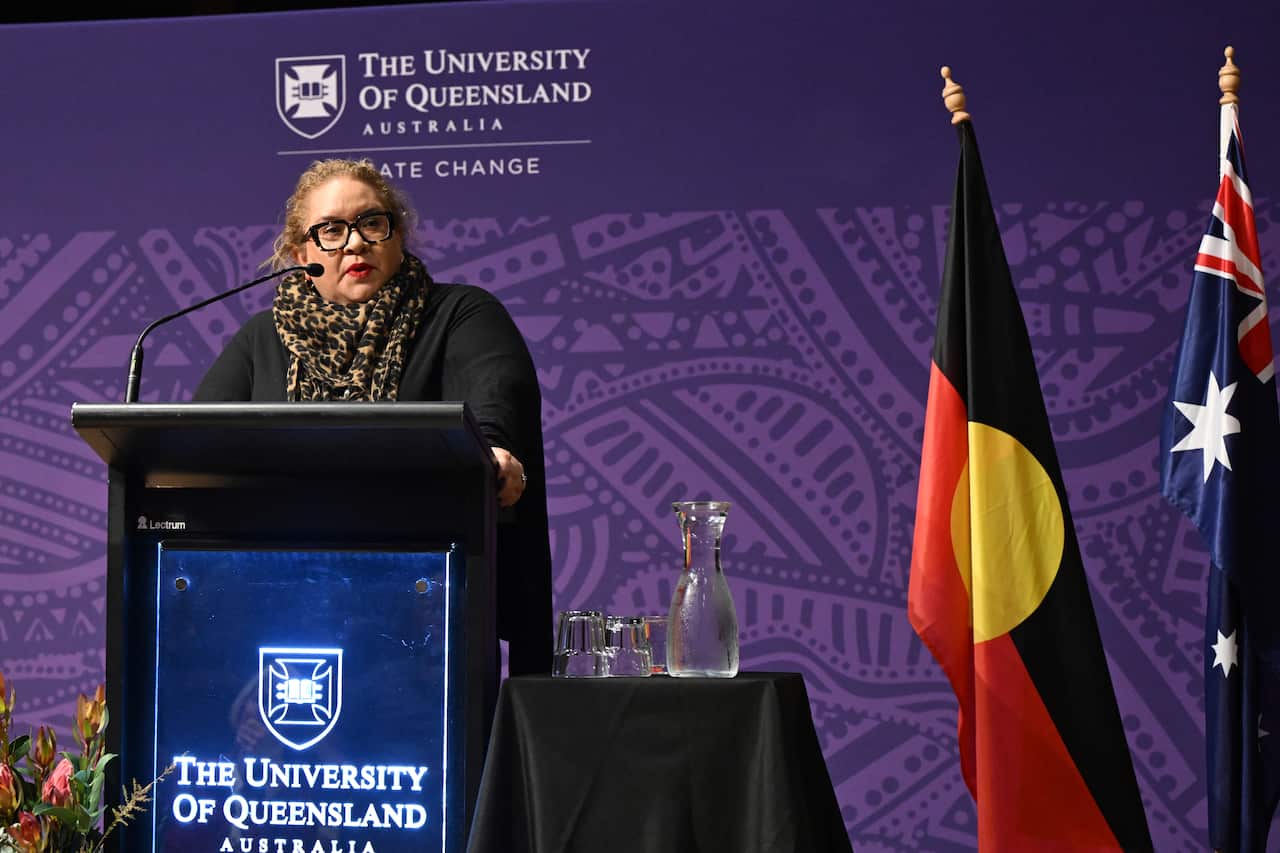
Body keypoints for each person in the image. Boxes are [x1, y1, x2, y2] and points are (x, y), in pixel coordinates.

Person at [193, 157, 552, 677]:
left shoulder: (459, 314)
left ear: (398, 234)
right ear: (302, 253)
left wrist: (493, 454)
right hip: (282, 614)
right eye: (331, 231)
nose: (355, 243)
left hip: (426, 620)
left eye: (371, 223)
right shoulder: (262, 339)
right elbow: (197, 441)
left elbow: (497, 394)